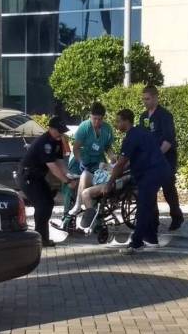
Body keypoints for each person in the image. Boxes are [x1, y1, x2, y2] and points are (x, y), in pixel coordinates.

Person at [104, 109, 171, 255]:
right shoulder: (142, 132)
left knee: (143, 207)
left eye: (118, 121)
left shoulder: (131, 138)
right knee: (149, 205)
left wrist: (109, 183)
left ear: (125, 121)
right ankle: (151, 238)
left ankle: (136, 243)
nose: (116, 124)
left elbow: (121, 164)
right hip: (160, 169)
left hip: (151, 173)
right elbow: (134, 159)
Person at [19, 116, 78, 247]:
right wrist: (67, 181)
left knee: (49, 203)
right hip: (28, 177)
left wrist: (68, 174)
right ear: (51, 129)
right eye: (59, 130)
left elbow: (59, 161)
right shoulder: (44, 142)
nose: (61, 133)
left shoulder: (56, 141)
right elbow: (52, 166)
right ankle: (39, 239)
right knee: (42, 205)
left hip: (38, 177)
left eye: (62, 131)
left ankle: (43, 238)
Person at [139, 85, 184, 231]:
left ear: (156, 97)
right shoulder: (143, 117)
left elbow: (168, 140)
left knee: (168, 187)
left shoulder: (165, 116)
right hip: (150, 158)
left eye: (148, 99)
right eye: (143, 99)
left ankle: (177, 216)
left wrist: (157, 156)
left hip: (166, 157)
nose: (145, 102)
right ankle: (154, 220)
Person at [68, 102, 117, 216]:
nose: (96, 122)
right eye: (94, 119)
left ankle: (92, 211)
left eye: (99, 119)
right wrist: (80, 161)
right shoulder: (84, 127)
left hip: (98, 160)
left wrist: (111, 156)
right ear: (90, 116)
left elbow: (108, 147)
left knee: (96, 180)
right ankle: (71, 212)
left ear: (103, 118)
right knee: (72, 184)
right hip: (80, 158)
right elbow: (76, 148)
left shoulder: (107, 129)